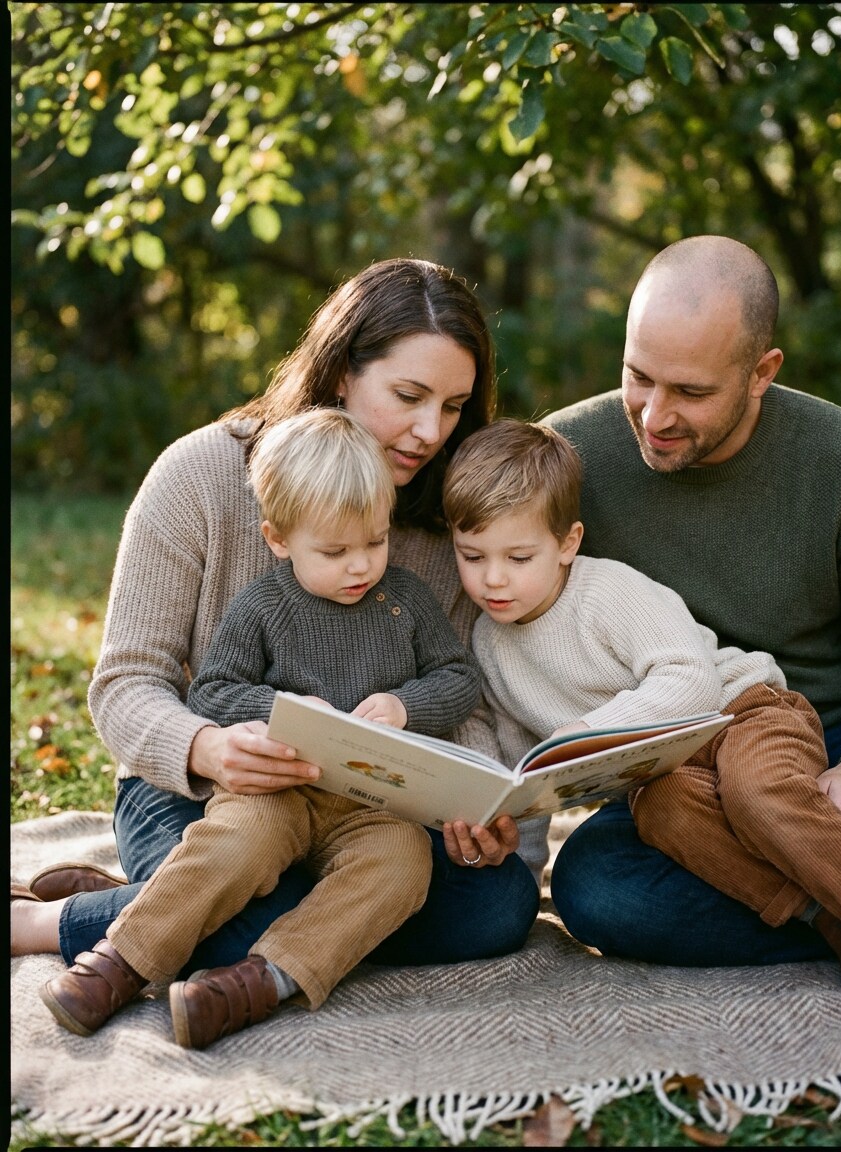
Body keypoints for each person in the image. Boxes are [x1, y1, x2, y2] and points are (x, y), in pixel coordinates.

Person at [12, 257, 542, 985]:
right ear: (339, 375)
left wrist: (471, 798)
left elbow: (461, 694)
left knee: (498, 908)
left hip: (369, 814)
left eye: (452, 407)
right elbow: (126, 684)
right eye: (409, 395)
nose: (428, 432)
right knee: (255, 909)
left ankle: (144, 909)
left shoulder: (442, 522)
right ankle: (48, 924)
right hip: (205, 796)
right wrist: (206, 747)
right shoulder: (198, 478)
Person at [442, 418, 841, 1023]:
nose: (493, 578)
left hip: (742, 714)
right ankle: (827, 918)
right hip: (661, 776)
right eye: (471, 556)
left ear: (567, 542)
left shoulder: (606, 593)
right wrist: (512, 867)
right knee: (662, 814)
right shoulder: (487, 644)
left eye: (518, 556)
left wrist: (584, 738)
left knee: (756, 791)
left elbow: (690, 680)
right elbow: (520, 768)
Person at [37, 408, 484, 1047]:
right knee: (235, 847)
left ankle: (254, 983)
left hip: (371, 806)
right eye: (334, 551)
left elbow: (457, 677)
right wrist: (285, 712)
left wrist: (405, 706)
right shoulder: (265, 605)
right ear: (279, 539)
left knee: (404, 867)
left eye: (376, 541)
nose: (360, 566)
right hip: (276, 789)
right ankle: (118, 962)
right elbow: (215, 689)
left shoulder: (405, 600)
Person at [538, 235, 841, 974]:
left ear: (761, 372)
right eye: (638, 377)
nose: (653, 415)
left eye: (690, 391)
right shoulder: (568, 457)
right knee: (595, 888)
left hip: (832, 742)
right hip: (678, 774)